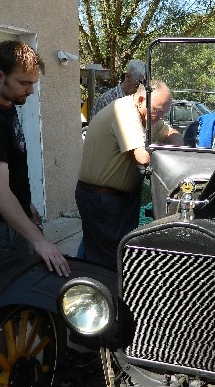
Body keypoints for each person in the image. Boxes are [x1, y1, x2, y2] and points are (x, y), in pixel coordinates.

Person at [0, 40, 70, 277]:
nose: (30, 90)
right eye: (24, 83)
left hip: (7, 223)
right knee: (10, 298)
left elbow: (9, 163)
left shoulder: (6, 103)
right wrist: (40, 241)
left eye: (33, 83)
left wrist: (25, 202)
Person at [76, 80, 182, 269]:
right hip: (102, 198)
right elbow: (142, 157)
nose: (160, 117)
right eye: (158, 110)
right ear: (141, 99)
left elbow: (172, 133)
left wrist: (174, 143)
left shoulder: (149, 115)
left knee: (100, 250)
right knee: (107, 260)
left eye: (164, 112)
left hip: (121, 197)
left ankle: (83, 278)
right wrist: (169, 155)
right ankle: (97, 292)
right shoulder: (125, 111)